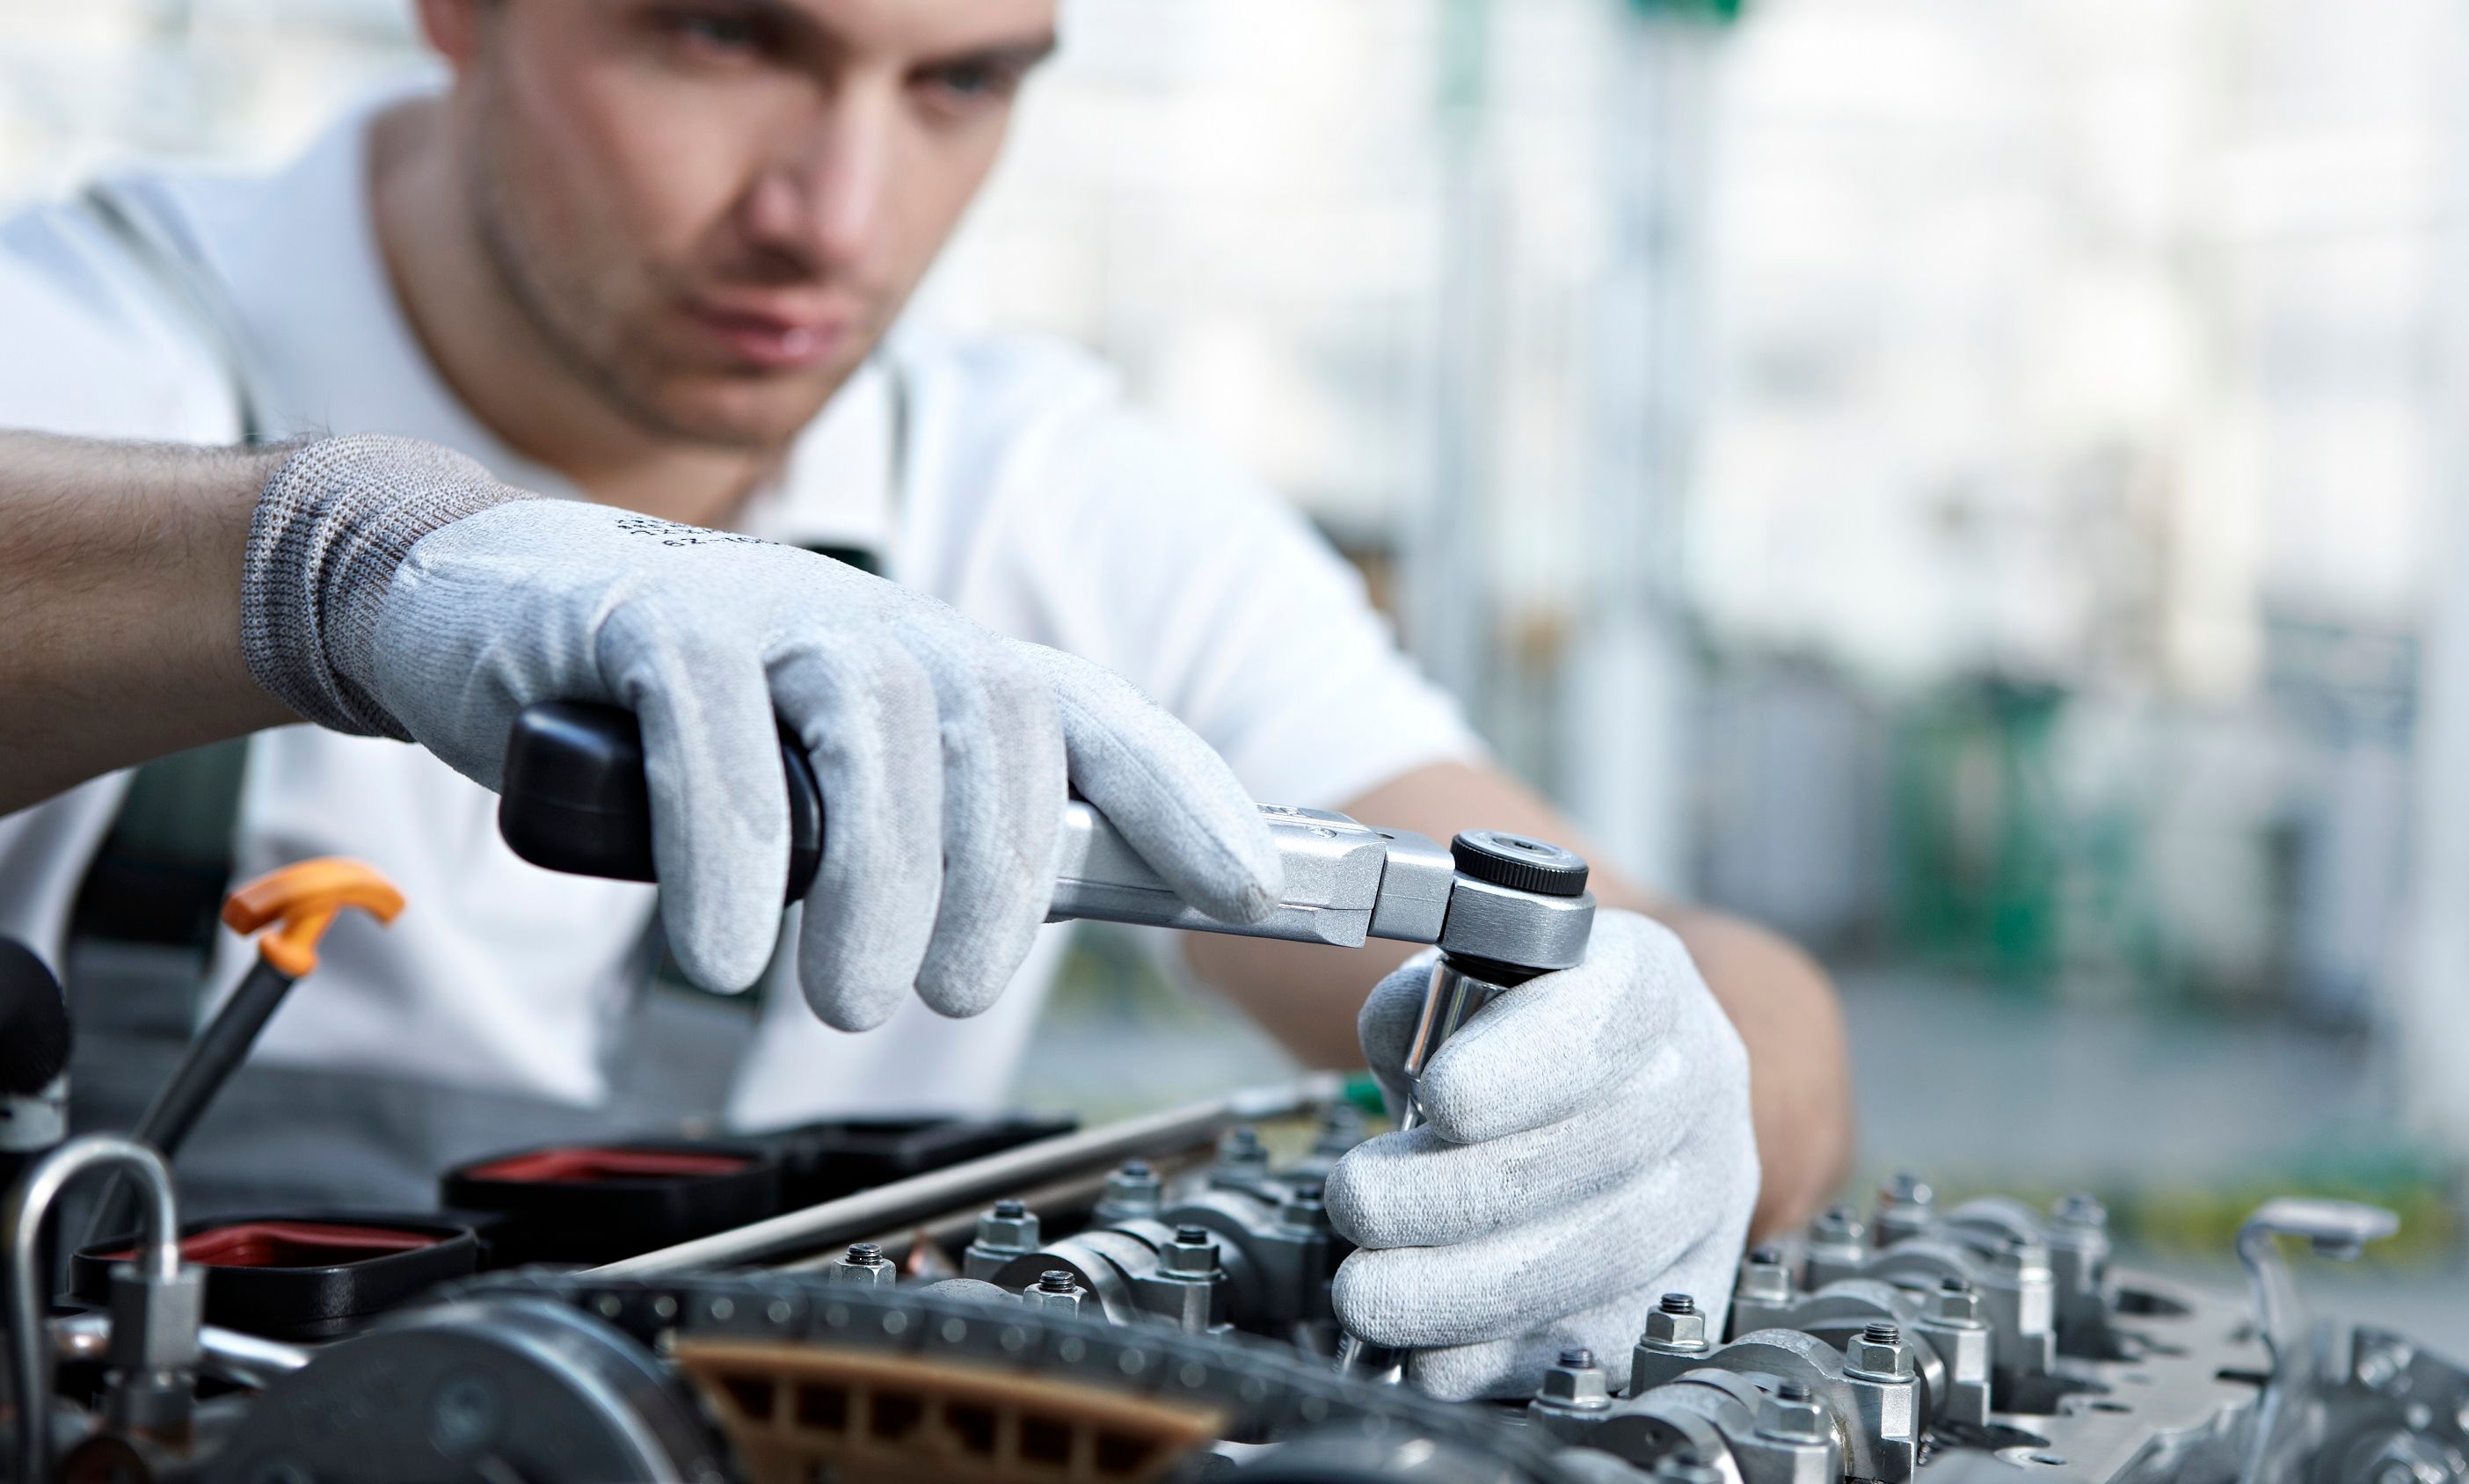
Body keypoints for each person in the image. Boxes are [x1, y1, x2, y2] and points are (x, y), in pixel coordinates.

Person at [0, 0, 1852, 1398]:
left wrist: (1654, 1053)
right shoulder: (91, 338)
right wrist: (332, 567)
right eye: (723, 36)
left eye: (961, 81)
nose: (838, 217)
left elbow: (1725, 996)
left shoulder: (1052, 499)